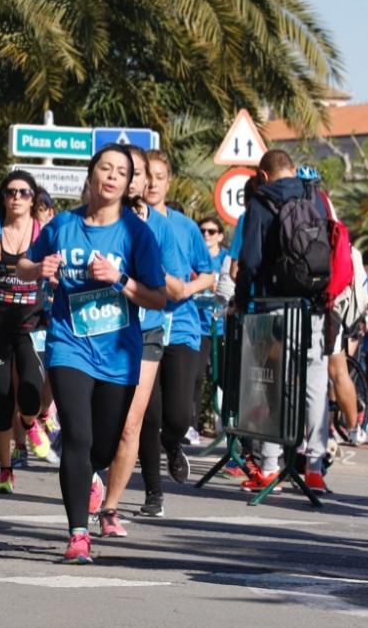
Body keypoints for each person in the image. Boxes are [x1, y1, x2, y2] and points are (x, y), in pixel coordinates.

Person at [18, 144, 166, 563]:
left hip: (119, 354)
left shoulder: (137, 234)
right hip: (69, 344)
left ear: (128, 182)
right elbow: (25, 265)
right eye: (106, 168)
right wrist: (39, 269)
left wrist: (120, 280)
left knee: (101, 447)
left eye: (122, 171)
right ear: (92, 174)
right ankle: (78, 533)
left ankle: (90, 476)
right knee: (78, 438)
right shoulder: (64, 224)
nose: (113, 176)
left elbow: (157, 298)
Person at [96, 146, 186, 536]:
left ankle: (111, 508)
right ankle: (89, 474)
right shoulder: (91, 217)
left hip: (146, 327)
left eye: (138, 173)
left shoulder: (159, 226)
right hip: (97, 328)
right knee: (97, 426)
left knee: (131, 425)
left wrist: (137, 271)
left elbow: (175, 286)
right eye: (125, 172)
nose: (133, 180)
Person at [235, 149, 334, 493]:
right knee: (315, 386)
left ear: (263, 175)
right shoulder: (316, 195)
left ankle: (270, 467)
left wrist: (243, 298)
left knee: (271, 385)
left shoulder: (261, 201)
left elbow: (251, 258)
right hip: (313, 306)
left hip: (272, 305)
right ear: (292, 168)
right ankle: (316, 467)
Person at [136, 150, 215, 518]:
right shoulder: (132, 221)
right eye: (146, 176)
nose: (152, 183)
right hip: (142, 325)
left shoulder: (183, 227)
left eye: (159, 176)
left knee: (179, 415)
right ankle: (153, 493)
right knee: (147, 416)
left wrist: (188, 288)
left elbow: (209, 273)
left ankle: (173, 443)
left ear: (169, 181)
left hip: (181, 326)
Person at [0, 171, 49, 493]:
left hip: (31, 324)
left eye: (23, 192)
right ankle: (5, 470)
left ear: (33, 198)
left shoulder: (44, 232)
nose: (17, 198)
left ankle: (31, 422)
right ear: (3, 197)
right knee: (3, 399)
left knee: (32, 391)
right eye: (11, 192)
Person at [192, 216, 229, 441]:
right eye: (203, 230)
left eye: (211, 231)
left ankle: (225, 426)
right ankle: (191, 426)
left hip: (222, 326)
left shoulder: (225, 258)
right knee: (195, 378)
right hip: (198, 326)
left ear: (220, 236)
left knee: (223, 379)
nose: (206, 235)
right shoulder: (195, 256)